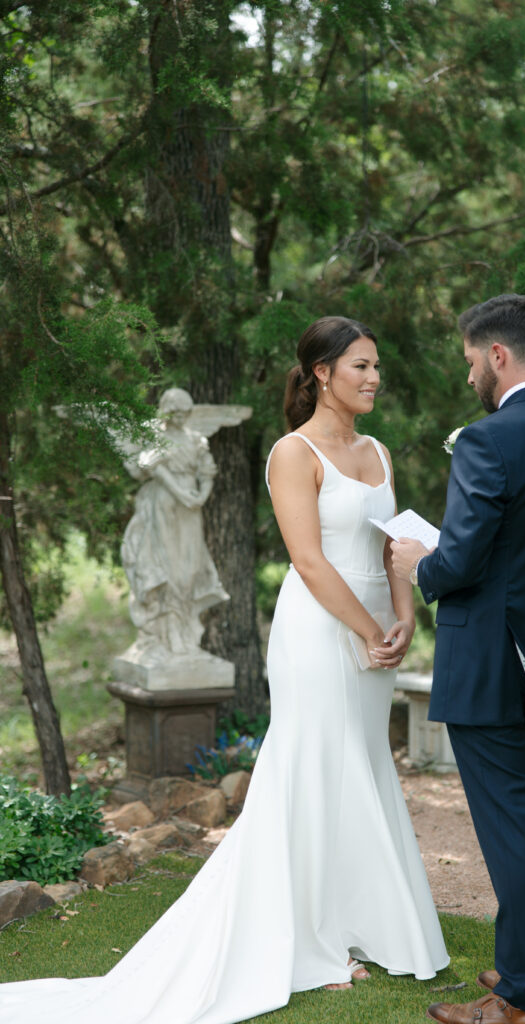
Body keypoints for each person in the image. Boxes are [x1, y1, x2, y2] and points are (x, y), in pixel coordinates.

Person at [0, 316, 448, 1024]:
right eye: (360, 366)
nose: (373, 378)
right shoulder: (292, 453)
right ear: (322, 373)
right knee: (312, 766)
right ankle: (304, 936)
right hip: (319, 632)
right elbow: (308, 560)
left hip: (376, 632)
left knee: (360, 765)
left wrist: (402, 619)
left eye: (375, 366)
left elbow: (394, 545)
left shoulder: (378, 452)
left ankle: (358, 921)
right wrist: (367, 631)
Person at [392, 294, 525, 1024]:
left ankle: (521, 994)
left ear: (497, 355)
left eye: (469, 363)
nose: (468, 379)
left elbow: (459, 561)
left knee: (512, 822)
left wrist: (419, 564)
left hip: (487, 658)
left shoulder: (487, 441)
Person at [121, 387, 228, 662]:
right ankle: (169, 632)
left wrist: (201, 497)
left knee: (190, 566)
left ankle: (186, 628)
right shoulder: (156, 436)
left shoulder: (195, 439)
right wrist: (182, 494)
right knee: (167, 565)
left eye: (184, 413)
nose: (180, 418)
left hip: (191, 507)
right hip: (166, 501)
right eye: (175, 413)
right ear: (167, 412)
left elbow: (207, 471)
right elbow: (154, 469)